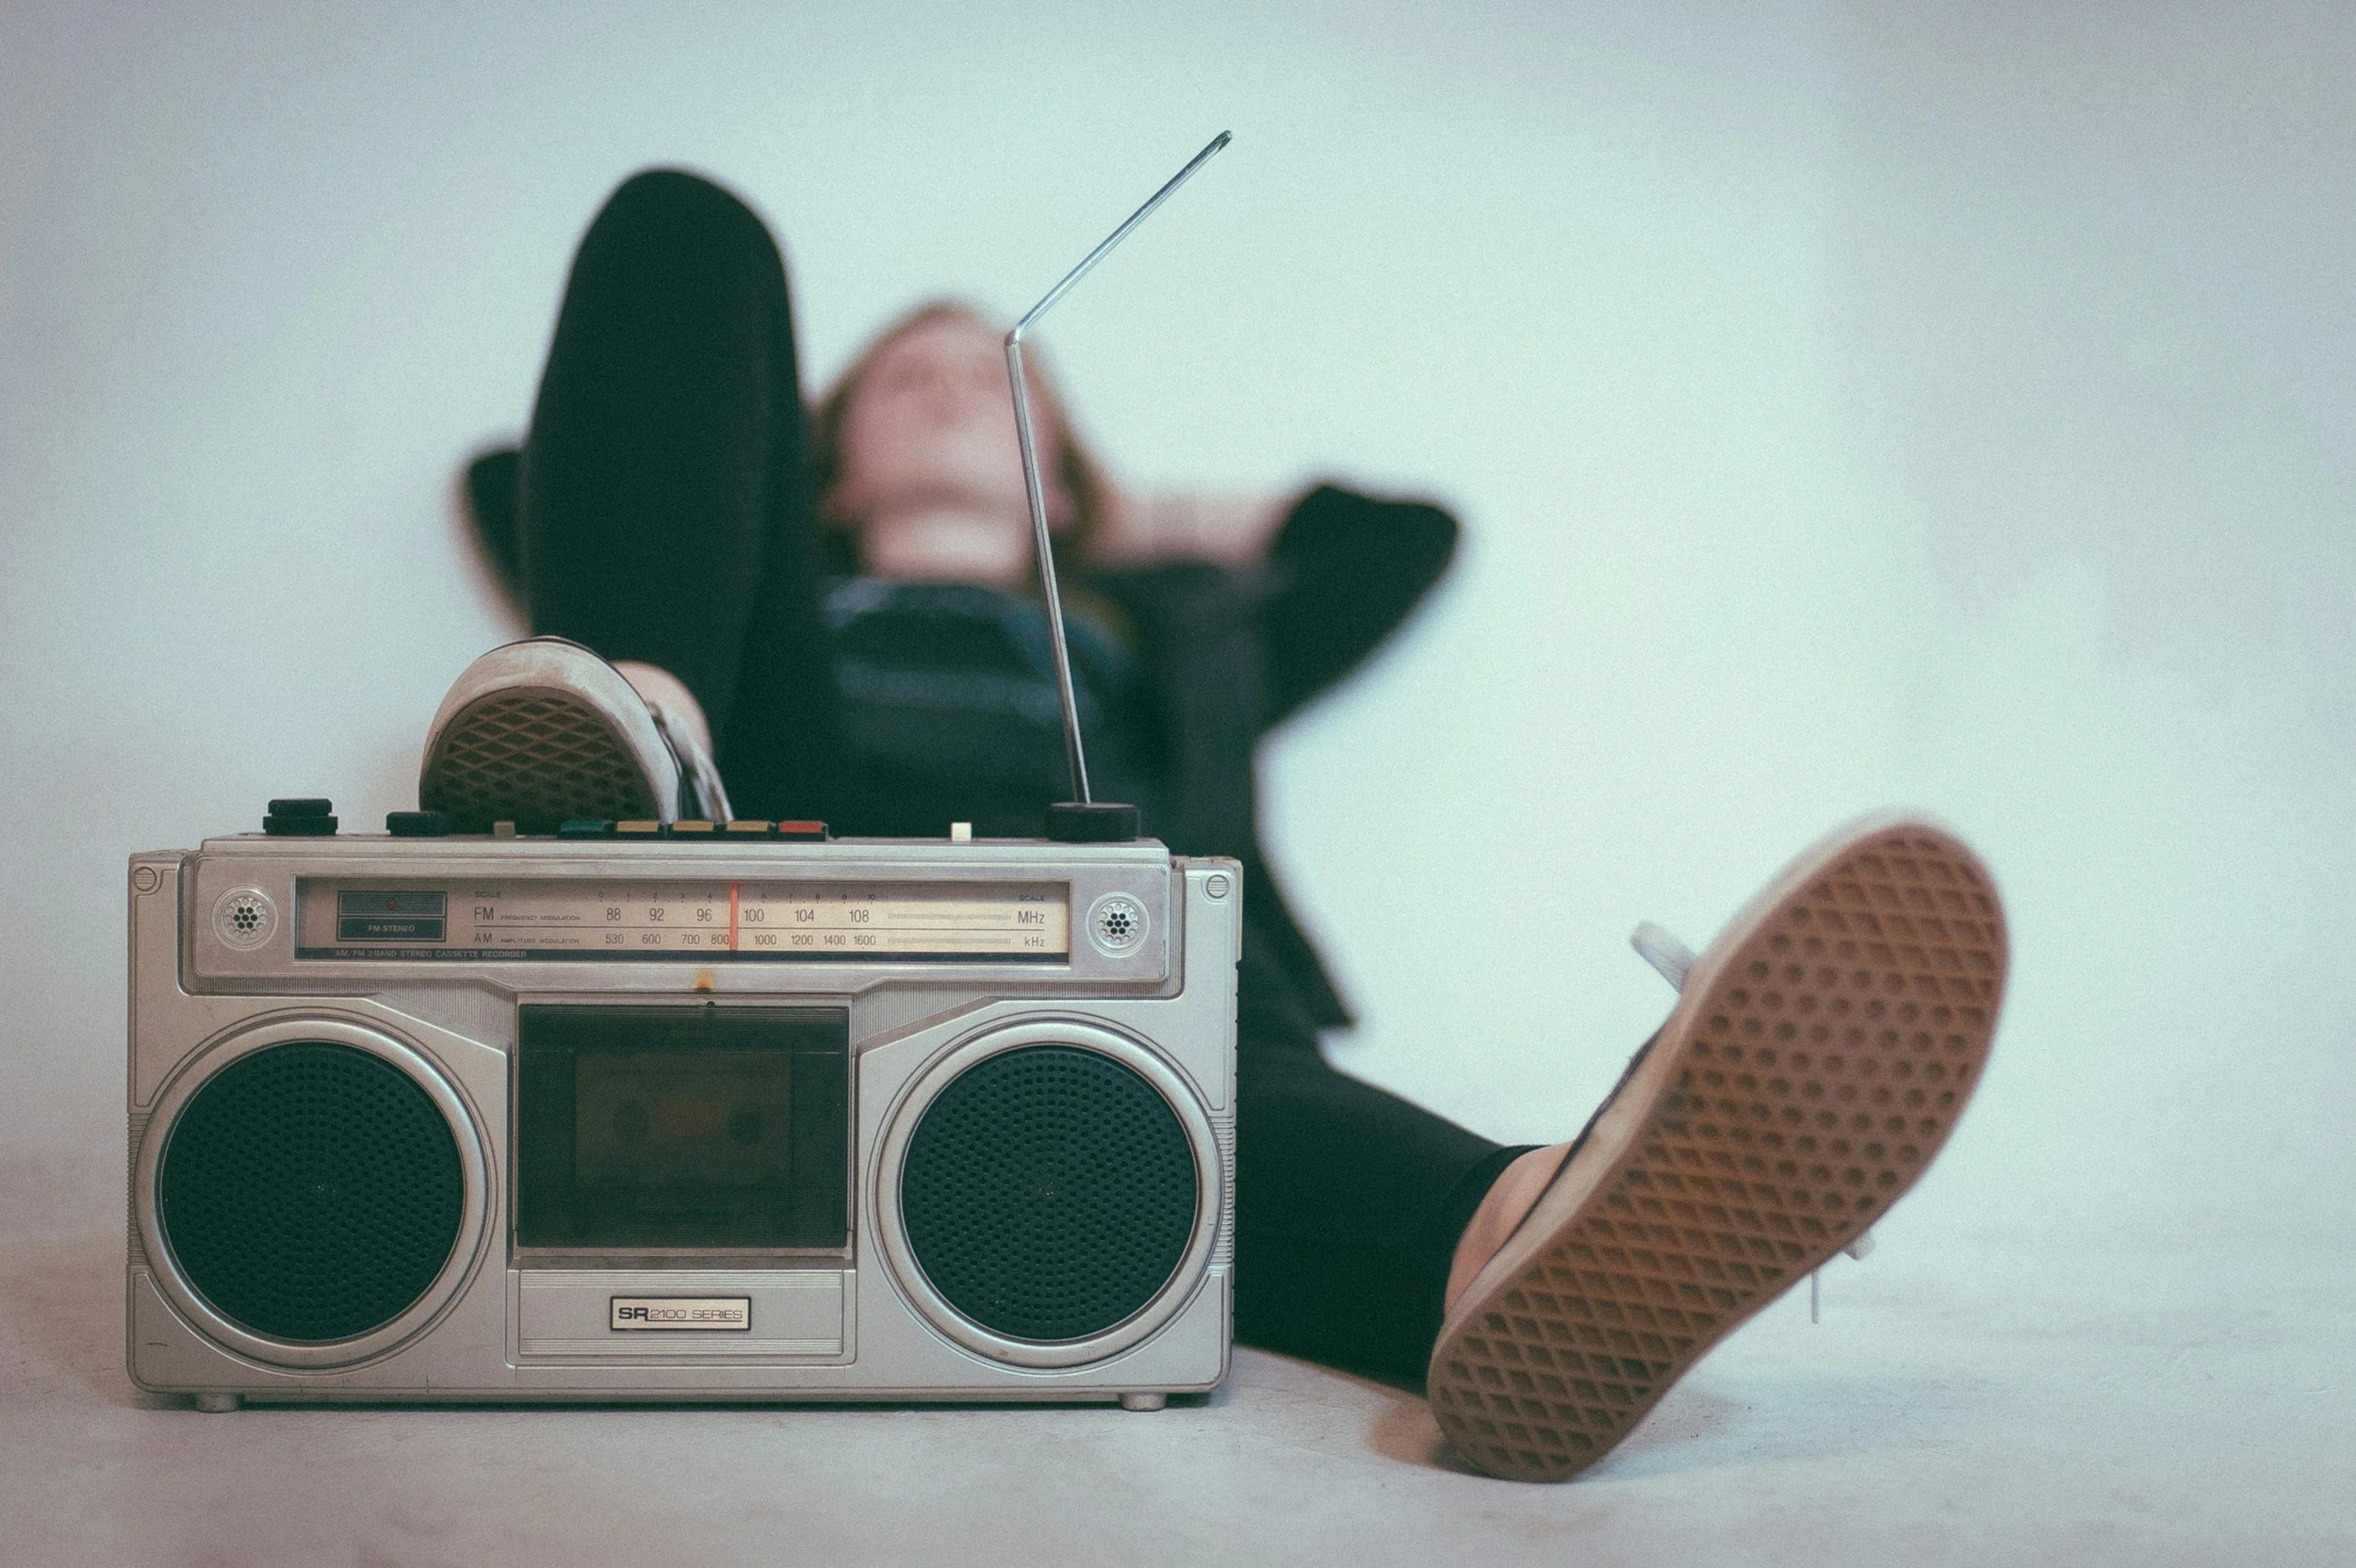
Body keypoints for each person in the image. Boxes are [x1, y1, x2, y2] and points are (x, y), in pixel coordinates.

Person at [430, 168, 2010, 1481]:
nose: (944, 382)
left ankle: (1533, 1233)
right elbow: (535, 474)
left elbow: (1401, 541)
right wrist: (762, 510)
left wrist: (1114, 513)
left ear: (1066, 484)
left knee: (1207, 1069)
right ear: (820, 453)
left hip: (1116, 968)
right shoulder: (768, 598)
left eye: (997, 379)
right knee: (686, 223)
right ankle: (643, 740)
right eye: (902, 379)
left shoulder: (1181, 629)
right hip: (785, 859)